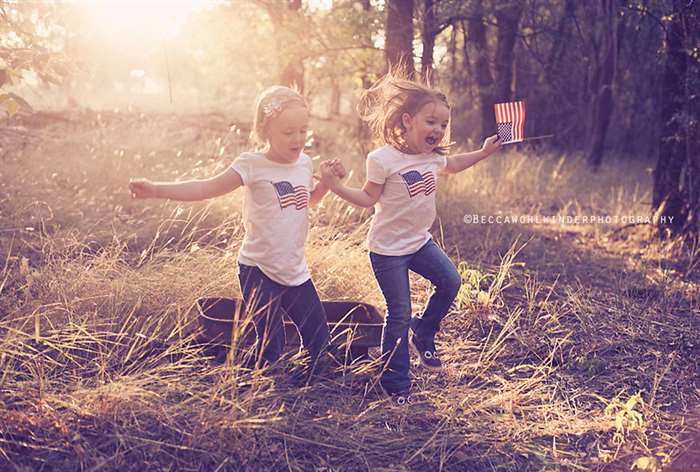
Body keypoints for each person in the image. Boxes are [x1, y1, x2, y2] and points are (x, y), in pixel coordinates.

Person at [130, 85, 343, 382]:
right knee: (272, 348)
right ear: (265, 130)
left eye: (303, 131)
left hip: (294, 269)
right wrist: (156, 189)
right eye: (288, 132)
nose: (298, 139)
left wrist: (327, 184)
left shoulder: (305, 164)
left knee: (321, 342)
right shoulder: (252, 165)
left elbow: (306, 202)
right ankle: (261, 390)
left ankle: (318, 389)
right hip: (258, 269)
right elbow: (205, 187)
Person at [320, 73, 501, 403]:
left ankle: (425, 330)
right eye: (430, 121)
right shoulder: (382, 159)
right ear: (407, 120)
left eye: (443, 125)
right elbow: (366, 199)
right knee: (398, 312)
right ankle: (395, 380)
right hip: (388, 251)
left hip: (419, 242)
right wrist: (335, 187)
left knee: (450, 281)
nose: (437, 130)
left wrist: (484, 152)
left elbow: (453, 164)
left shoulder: (432, 157)